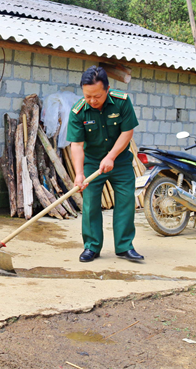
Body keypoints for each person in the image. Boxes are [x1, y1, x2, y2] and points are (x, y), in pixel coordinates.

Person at [66, 65, 143, 263]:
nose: (92, 101)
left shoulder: (122, 102)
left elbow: (127, 132)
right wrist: (79, 174)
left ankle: (125, 247)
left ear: (107, 90)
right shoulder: (78, 111)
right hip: (92, 163)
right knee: (91, 205)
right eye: (87, 96)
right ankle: (91, 247)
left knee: (125, 202)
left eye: (97, 97)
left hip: (120, 161)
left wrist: (111, 156)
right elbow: (76, 145)